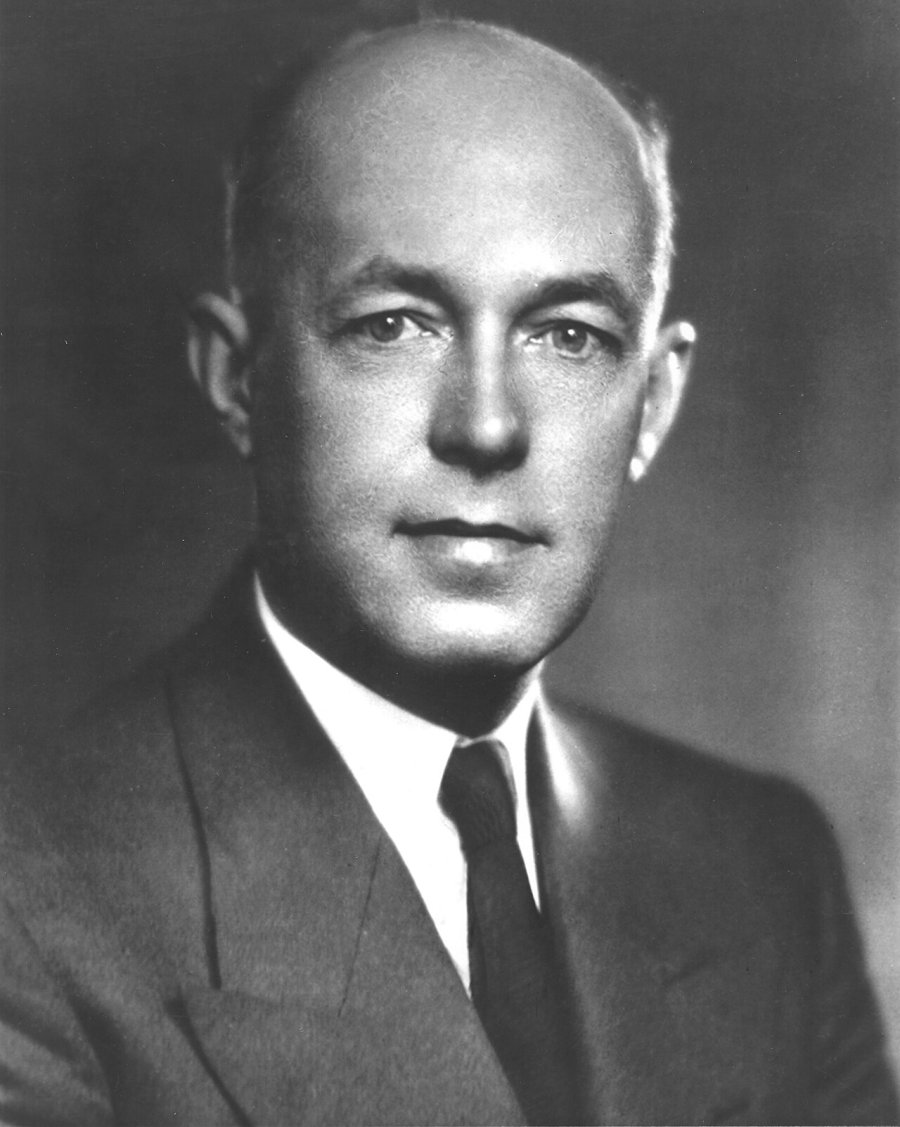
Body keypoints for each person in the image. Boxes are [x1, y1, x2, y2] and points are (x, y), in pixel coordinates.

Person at [1, 9, 896, 1126]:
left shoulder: (764, 865)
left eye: (568, 334)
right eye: (394, 324)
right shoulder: (27, 901)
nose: (485, 424)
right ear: (239, 377)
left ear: (654, 403)